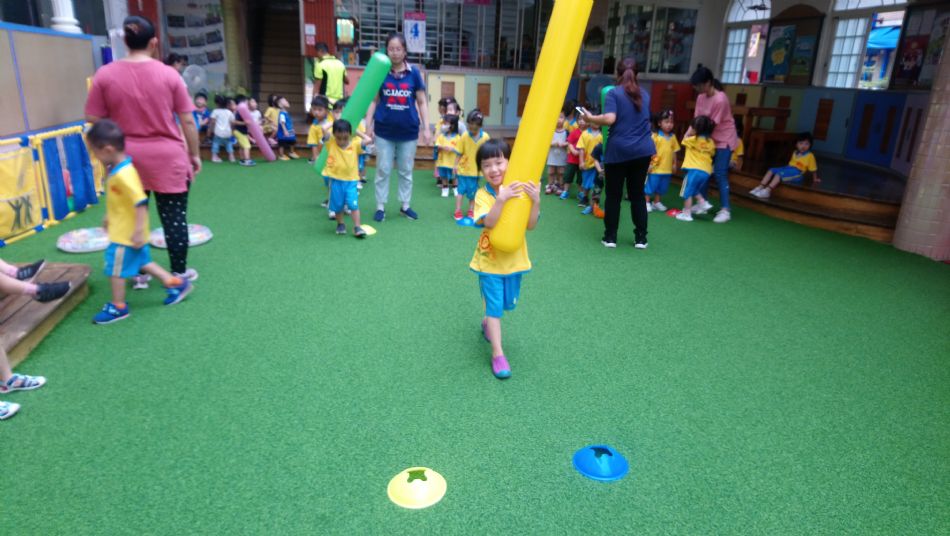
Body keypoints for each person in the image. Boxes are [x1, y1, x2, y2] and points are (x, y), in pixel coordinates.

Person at [85, 15, 201, 286]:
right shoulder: (170, 74)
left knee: (129, 216)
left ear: (125, 41)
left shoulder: (105, 74)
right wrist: (194, 154)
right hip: (168, 156)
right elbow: (187, 121)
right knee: (174, 218)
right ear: (154, 42)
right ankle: (179, 273)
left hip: (125, 159)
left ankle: (138, 274)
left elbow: (93, 118)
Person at [86, 120, 193, 324]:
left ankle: (118, 307)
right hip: (129, 231)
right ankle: (176, 283)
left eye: (95, 152)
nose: (95, 157)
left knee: (115, 269)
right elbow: (122, 200)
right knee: (143, 262)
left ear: (107, 150)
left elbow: (140, 202)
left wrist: (136, 231)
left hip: (125, 236)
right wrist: (110, 216)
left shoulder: (124, 174)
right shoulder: (121, 168)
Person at [469, 139, 540, 380]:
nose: (494, 169)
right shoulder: (482, 194)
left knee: (507, 304)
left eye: (499, 162)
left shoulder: (519, 190)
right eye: (486, 165)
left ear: (510, 162)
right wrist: (501, 198)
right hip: (489, 263)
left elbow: (530, 225)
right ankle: (498, 354)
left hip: (514, 261)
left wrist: (536, 201)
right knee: (495, 307)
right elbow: (488, 222)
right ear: (481, 170)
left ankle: (487, 323)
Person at [582, 57, 655, 249]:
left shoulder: (614, 93)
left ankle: (610, 237)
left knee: (613, 195)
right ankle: (641, 239)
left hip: (619, 150)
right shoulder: (645, 95)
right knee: (637, 195)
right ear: (637, 74)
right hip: (643, 150)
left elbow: (609, 119)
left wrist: (590, 118)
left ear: (617, 74)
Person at [364, 32, 432, 222]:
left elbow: (422, 102)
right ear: (387, 51)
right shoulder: (380, 71)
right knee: (383, 169)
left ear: (404, 51)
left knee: (406, 170)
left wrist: (427, 128)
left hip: (408, 131)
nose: (394, 53)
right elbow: (373, 101)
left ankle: (405, 206)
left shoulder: (414, 73)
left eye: (398, 49)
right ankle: (380, 207)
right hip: (384, 131)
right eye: (391, 49)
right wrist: (368, 125)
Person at [687, 66, 738, 223]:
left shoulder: (720, 99)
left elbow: (710, 125)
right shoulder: (701, 97)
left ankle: (725, 210)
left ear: (708, 83)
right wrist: (687, 135)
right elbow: (696, 120)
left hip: (723, 138)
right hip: (708, 139)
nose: (697, 89)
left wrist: (694, 138)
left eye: (699, 85)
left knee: (720, 173)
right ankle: (702, 203)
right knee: (703, 169)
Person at [323, 120, 368, 238]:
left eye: (345, 138)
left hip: (351, 181)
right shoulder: (331, 143)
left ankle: (357, 227)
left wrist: (357, 132)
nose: (342, 141)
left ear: (350, 135)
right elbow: (323, 129)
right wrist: (335, 121)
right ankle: (340, 224)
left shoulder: (355, 144)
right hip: (336, 180)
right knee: (338, 205)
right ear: (334, 135)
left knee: (353, 204)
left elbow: (368, 139)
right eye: (339, 138)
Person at [750, 132, 820, 199]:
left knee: (779, 174)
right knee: (771, 170)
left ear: (810, 145)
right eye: (801, 143)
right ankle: (760, 187)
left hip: (798, 173)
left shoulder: (810, 156)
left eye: (806, 144)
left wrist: (815, 179)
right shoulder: (795, 152)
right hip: (788, 168)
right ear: (796, 144)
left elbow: (813, 169)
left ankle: (767, 191)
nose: (803, 146)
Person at [676, 116, 717, 222]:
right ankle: (703, 202)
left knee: (687, 192)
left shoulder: (691, 140)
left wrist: (688, 132)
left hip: (694, 170)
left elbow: (684, 140)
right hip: (706, 171)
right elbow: (712, 153)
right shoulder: (711, 142)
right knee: (694, 189)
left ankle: (687, 214)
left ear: (695, 128)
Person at [454, 110, 490, 221]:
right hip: (463, 170)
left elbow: (487, 153)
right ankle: (458, 210)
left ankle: (471, 209)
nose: (472, 130)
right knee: (460, 191)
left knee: (473, 193)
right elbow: (459, 152)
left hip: (476, 172)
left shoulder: (485, 137)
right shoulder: (464, 136)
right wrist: (455, 165)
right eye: (470, 128)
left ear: (480, 126)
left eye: (475, 129)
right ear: (467, 124)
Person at [645, 109, 680, 212]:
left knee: (662, 187)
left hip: (667, 169)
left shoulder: (673, 137)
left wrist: (674, 164)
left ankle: (656, 202)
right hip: (655, 168)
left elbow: (674, 151)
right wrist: (650, 164)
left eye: (671, 122)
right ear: (659, 123)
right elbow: (651, 151)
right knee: (651, 185)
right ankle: (646, 202)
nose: (669, 124)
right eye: (666, 122)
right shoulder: (655, 136)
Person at [576, 121, 603, 214]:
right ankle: (585, 197)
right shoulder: (585, 134)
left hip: (599, 164)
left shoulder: (602, 135)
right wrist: (581, 161)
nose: (596, 123)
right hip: (587, 163)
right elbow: (581, 149)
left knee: (596, 184)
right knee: (586, 182)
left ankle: (594, 204)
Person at [559, 111, 585, 200]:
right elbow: (569, 142)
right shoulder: (574, 132)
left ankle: (581, 192)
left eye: (584, 120)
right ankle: (565, 191)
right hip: (572, 159)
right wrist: (573, 151)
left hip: (583, 161)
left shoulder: (588, 133)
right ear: (577, 121)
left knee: (581, 178)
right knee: (568, 176)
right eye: (580, 119)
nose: (582, 121)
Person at [435, 114, 461, 198]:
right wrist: (442, 147)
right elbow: (437, 146)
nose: (443, 125)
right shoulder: (441, 136)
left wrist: (452, 149)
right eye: (444, 123)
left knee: (454, 176)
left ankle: (455, 188)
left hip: (453, 162)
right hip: (442, 161)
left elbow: (460, 150)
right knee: (443, 176)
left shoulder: (458, 137)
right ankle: (445, 189)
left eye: (446, 123)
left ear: (453, 125)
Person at [546, 112, 569, 195]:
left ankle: (560, 186)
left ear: (565, 120)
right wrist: (553, 143)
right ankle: (550, 185)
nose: (559, 120)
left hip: (562, 155)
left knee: (561, 172)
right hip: (552, 154)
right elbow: (546, 141)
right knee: (551, 171)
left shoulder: (566, 132)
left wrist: (564, 144)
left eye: (561, 117)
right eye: (557, 117)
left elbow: (570, 142)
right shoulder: (551, 131)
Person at [307, 95, 333, 164]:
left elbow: (340, 106)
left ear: (327, 111)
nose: (316, 112)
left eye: (320, 110)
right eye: (314, 109)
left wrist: (327, 99)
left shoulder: (332, 116)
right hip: (324, 154)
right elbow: (314, 144)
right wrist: (316, 158)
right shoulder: (313, 127)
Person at [210, 95, 236, 163]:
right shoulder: (229, 112)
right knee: (229, 144)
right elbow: (232, 123)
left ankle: (214, 156)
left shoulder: (215, 111)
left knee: (216, 143)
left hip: (218, 132)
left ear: (217, 104)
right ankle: (231, 156)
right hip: (228, 132)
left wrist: (211, 130)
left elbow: (212, 122)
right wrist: (232, 132)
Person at [232, 95, 256, 167]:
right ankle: (247, 160)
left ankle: (242, 159)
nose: (247, 104)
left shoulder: (242, 111)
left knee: (242, 146)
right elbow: (234, 122)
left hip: (241, 131)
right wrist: (244, 123)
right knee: (247, 146)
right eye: (246, 102)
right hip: (239, 131)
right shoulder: (239, 111)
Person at [276, 96, 298, 160]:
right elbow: (282, 123)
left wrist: (292, 129)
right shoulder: (282, 113)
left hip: (289, 130)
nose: (286, 101)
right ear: (280, 104)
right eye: (284, 101)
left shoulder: (286, 112)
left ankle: (291, 152)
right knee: (281, 143)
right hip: (283, 131)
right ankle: (281, 155)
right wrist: (285, 130)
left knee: (292, 141)